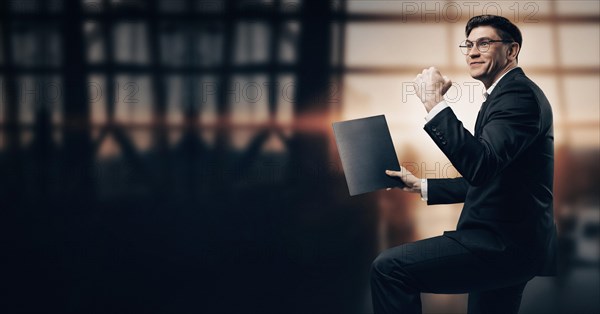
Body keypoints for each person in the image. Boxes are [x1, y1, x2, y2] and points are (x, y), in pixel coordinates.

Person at [370, 15, 557, 314]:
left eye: (484, 43)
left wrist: (434, 102)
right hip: (515, 243)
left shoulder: (517, 95)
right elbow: (492, 175)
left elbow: (480, 165)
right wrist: (423, 186)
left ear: (511, 51)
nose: (472, 52)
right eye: (468, 44)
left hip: (501, 245)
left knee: (389, 269)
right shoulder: (504, 95)